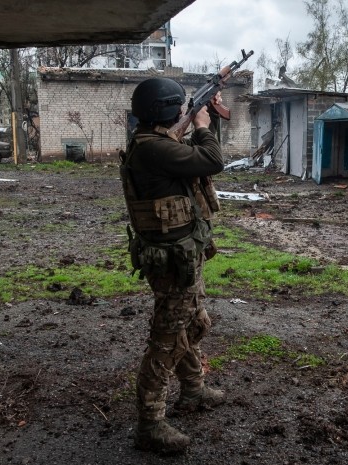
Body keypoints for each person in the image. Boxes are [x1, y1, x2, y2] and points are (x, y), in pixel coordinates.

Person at [119, 77, 226, 453]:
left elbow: (192, 160)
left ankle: (193, 389)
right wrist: (203, 126)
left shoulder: (154, 142)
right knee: (166, 340)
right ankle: (149, 423)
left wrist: (201, 119)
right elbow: (213, 160)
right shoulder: (154, 148)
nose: (183, 110)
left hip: (182, 254)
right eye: (179, 106)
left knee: (194, 323)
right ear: (164, 110)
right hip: (172, 262)